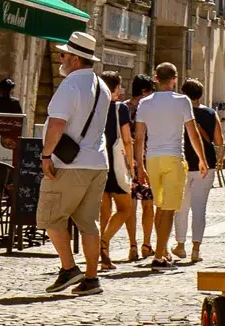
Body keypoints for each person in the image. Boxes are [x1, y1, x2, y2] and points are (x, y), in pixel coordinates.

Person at [38, 31, 109, 295]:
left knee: (50, 217)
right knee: (88, 223)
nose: (61, 58)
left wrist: (46, 155)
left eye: (64, 54)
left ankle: (69, 268)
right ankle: (91, 279)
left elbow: (57, 124)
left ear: (76, 59)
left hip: (70, 165)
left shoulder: (70, 86)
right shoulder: (102, 87)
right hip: (97, 163)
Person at [135, 63, 208, 269]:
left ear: (156, 78)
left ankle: (162, 250)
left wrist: (140, 166)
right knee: (168, 209)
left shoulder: (145, 103)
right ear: (175, 79)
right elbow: (193, 133)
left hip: (152, 158)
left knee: (160, 208)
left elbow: (139, 138)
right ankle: (159, 256)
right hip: (173, 157)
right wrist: (202, 159)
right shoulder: (182, 101)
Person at [172, 78, 220, 263]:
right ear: (201, 95)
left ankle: (180, 245)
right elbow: (219, 140)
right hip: (205, 164)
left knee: (181, 208)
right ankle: (196, 249)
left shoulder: (178, 113)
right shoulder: (210, 113)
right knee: (200, 208)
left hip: (182, 162)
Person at [97, 72, 136, 270]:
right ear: (116, 88)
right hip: (115, 164)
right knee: (124, 209)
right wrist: (131, 166)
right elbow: (127, 140)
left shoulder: (94, 107)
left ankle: (104, 257)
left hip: (97, 162)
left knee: (104, 213)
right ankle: (103, 242)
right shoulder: (120, 108)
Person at [126, 73, 156, 259]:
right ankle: (146, 244)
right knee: (148, 204)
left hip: (127, 162)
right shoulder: (149, 110)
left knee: (130, 205)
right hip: (146, 160)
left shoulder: (124, 108)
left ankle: (132, 246)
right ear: (145, 91)